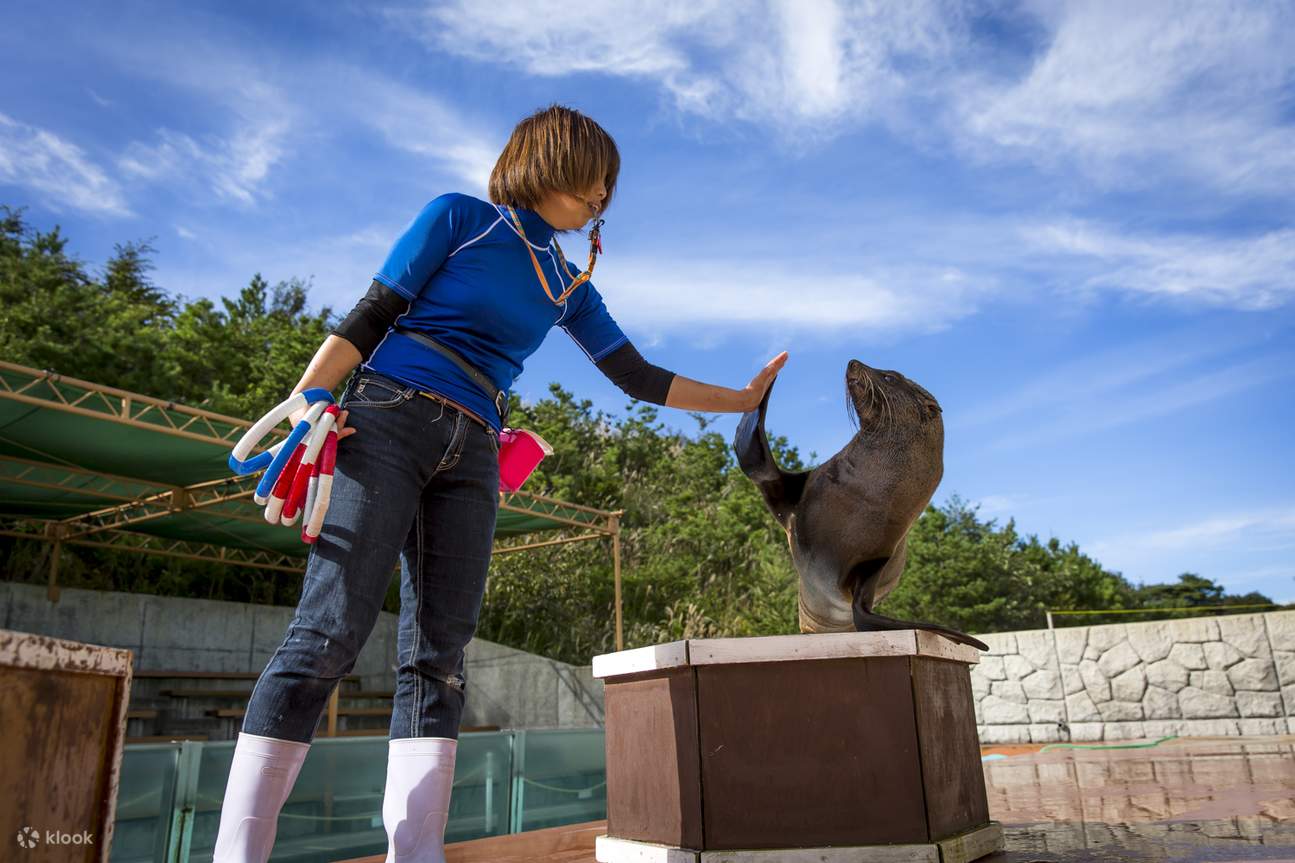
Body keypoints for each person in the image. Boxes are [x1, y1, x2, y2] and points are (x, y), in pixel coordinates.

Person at [211, 104, 788, 863]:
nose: (603, 198)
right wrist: (310, 398)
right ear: (551, 163)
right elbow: (372, 312)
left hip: (476, 449)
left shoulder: (566, 282)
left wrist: (742, 399)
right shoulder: (460, 218)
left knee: (441, 659)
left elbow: (637, 376)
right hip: (385, 419)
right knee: (327, 633)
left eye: (609, 188)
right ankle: (236, 854)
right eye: (596, 180)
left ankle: (416, 854)